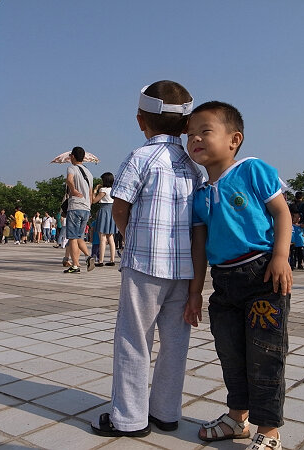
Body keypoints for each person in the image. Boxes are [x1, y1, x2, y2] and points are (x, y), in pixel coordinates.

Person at [91, 81, 202, 437]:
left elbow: (120, 207)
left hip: (143, 266)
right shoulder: (195, 168)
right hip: (183, 272)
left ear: (141, 120)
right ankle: (167, 412)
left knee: (134, 339)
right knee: (175, 343)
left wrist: (130, 237)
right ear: (186, 126)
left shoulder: (139, 158)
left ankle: (129, 418)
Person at [184, 101, 291, 450]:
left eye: (205, 131)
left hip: (263, 276)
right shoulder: (199, 194)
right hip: (224, 283)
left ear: (234, 139)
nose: (195, 139)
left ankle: (269, 431)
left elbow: (282, 214)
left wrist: (281, 257)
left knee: (265, 355)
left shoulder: (252, 170)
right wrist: (195, 292)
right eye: (190, 134)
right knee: (230, 353)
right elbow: (199, 247)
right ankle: (236, 418)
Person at [64, 146, 94, 273]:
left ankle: (75, 265)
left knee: (72, 238)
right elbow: (91, 193)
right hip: (86, 208)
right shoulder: (89, 173)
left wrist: (73, 190)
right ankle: (88, 257)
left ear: (73, 156)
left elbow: (69, 179)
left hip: (75, 206)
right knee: (79, 236)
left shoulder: (72, 168)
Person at [92, 172, 118, 267]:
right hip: (112, 211)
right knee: (111, 237)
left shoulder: (103, 190)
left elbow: (94, 201)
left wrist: (95, 190)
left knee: (102, 237)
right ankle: (112, 259)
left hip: (104, 211)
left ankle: (101, 260)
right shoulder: (114, 190)